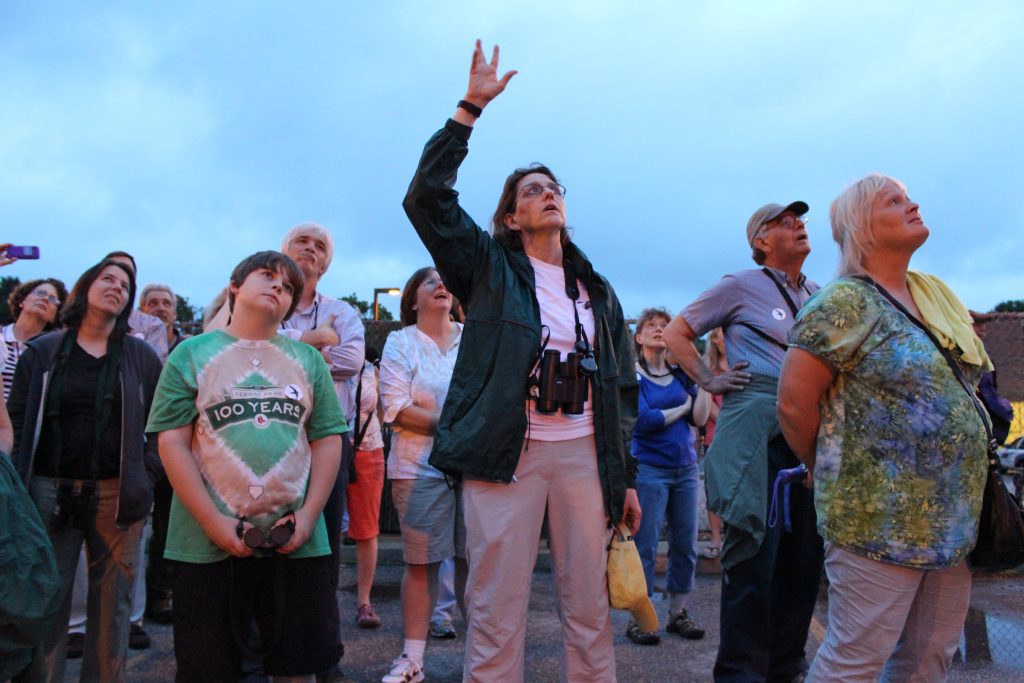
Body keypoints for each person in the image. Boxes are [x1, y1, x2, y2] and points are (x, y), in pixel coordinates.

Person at [402, 41, 640, 682]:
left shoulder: (598, 290)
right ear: (511, 216)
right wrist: (469, 109)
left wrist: (626, 478)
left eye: (553, 189)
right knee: (497, 608)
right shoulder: (487, 269)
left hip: (584, 455)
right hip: (510, 452)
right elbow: (425, 200)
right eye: (532, 192)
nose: (547, 196)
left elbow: (620, 388)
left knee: (589, 609)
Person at [778, 174, 990, 681]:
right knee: (855, 661)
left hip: (952, 521)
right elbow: (792, 405)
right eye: (893, 201)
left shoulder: (934, 299)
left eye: (908, 196)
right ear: (861, 228)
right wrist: (824, 467)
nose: (911, 203)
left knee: (928, 658)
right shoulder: (845, 302)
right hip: (876, 521)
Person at [146, 251, 346, 683]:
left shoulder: (308, 361)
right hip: (204, 542)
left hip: (297, 540)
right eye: (267, 275)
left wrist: (310, 516)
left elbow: (328, 438)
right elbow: (173, 443)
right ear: (235, 286)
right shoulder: (190, 355)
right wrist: (213, 522)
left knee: (299, 668)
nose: (278, 286)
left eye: (289, 286)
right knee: (209, 669)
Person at [664, 199, 824, 682]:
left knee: (802, 567)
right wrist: (708, 381)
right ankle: (740, 674)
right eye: (784, 221)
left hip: (808, 436)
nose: (798, 225)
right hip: (757, 435)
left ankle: (786, 668)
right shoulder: (741, 285)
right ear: (761, 240)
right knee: (754, 563)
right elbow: (676, 333)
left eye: (800, 220)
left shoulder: (818, 293)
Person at [7, 258, 162, 682]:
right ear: (85, 288)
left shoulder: (140, 356)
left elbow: (160, 425)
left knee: (114, 610)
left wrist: (145, 478)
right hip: (47, 490)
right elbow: (18, 417)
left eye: (126, 285)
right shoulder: (44, 350)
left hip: (117, 494)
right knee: (47, 602)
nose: (117, 287)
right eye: (106, 279)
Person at [378, 266, 466, 682]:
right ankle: (412, 660)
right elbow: (395, 408)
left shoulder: (475, 339)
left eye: (444, 279)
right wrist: (459, 425)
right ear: (413, 299)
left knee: (478, 563)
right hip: (419, 468)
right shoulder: (400, 341)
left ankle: (486, 658)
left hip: (474, 469)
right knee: (421, 564)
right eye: (430, 281)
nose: (440, 284)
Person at [627, 307, 710, 646]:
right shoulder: (634, 375)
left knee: (686, 543)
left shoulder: (681, 376)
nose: (660, 329)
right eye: (652, 325)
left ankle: (678, 613)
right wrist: (682, 409)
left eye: (665, 325)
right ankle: (643, 620)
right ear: (638, 336)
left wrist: (705, 380)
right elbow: (643, 420)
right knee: (645, 545)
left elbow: (701, 418)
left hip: (685, 468)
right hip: (649, 469)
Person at [348, 350, 385, 629]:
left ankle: (364, 602)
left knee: (367, 529)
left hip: (368, 449)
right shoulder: (319, 361)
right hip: (324, 449)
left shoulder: (372, 369)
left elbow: (383, 412)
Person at [2, 278, 67, 400]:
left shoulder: (52, 352)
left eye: (53, 299)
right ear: (22, 301)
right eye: (40, 293)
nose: (45, 298)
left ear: (55, 316)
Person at [700, 328, 726, 559]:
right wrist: (731, 420)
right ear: (714, 341)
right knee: (715, 491)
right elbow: (707, 405)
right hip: (715, 438)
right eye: (721, 334)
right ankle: (716, 537)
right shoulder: (710, 371)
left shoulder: (747, 364)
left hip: (747, 439)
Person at [140, 283, 189, 356]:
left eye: (166, 304)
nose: (161, 308)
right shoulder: (131, 349)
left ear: (174, 314)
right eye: (153, 303)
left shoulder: (188, 350)